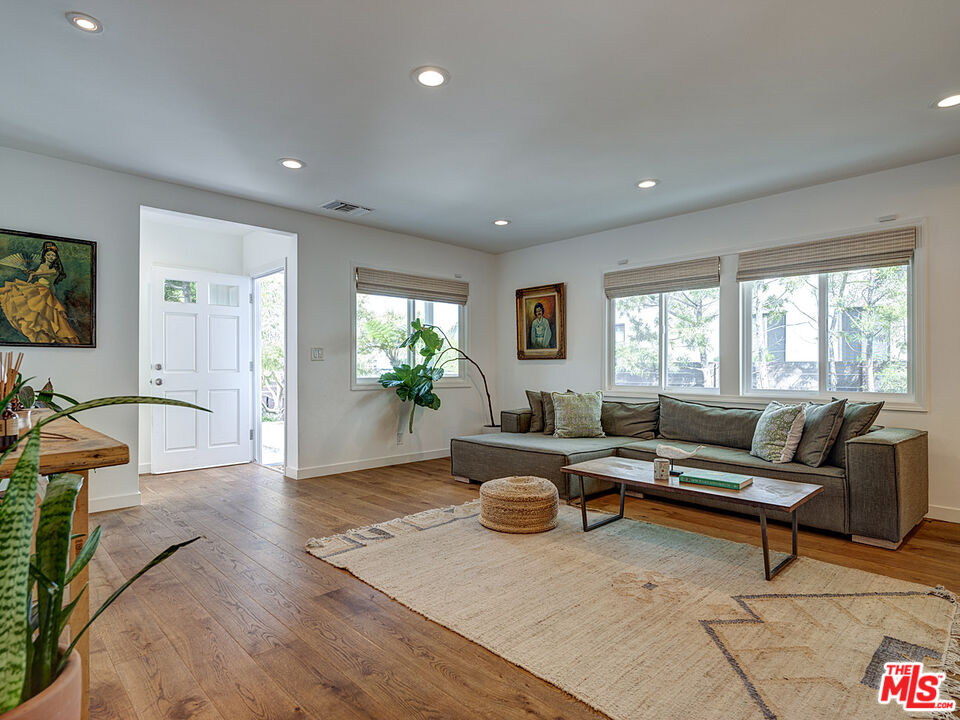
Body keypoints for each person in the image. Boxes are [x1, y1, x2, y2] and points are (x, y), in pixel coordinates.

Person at [0, 241, 81, 344]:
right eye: (49, 255)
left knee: (48, 317)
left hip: (46, 292)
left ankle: (50, 336)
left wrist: (35, 273)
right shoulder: (41, 265)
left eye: (53, 255)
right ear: (45, 255)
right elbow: (33, 277)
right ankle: (41, 337)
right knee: (36, 314)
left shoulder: (55, 269)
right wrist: (28, 282)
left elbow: (48, 273)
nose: (51, 257)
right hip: (38, 289)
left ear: (56, 257)